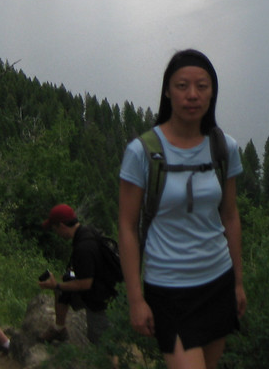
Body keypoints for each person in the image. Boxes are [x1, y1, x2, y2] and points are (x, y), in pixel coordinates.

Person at [118, 49, 246, 369]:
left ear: (212, 92)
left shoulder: (223, 148)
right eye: (182, 86)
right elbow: (127, 227)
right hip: (169, 288)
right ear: (167, 90)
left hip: (217, 280)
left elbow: (229, 215)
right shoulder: (143, 152)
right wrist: (136, 299)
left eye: (202, 86)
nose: (192, 95)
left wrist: (238, 283)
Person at [38, 204, 114, 345]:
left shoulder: (83, 247)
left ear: (61, 226)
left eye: (55, 229)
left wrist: (57, 284)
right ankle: (59, 329)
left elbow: (85, 283)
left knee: (103, 345)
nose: (56, 234)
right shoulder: (86, 232)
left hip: (100, 299)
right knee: (63, 287)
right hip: (103, 288)